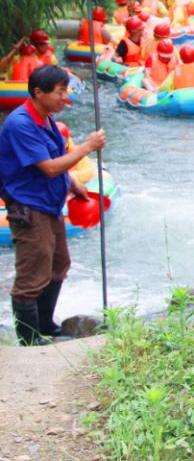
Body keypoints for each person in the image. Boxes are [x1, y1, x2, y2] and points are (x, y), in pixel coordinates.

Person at [0, 65, 107, 345]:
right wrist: (87, 147)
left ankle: (46, 324)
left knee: (59, 263)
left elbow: (56, 159)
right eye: (60, 91)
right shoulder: (21, 123)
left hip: (49, 204)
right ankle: (29, 340)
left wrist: (74, 184)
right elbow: (47, 167)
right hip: (29, 207)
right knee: (32, 273)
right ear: (38, 93)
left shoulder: (45, 119)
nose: (65, 97)